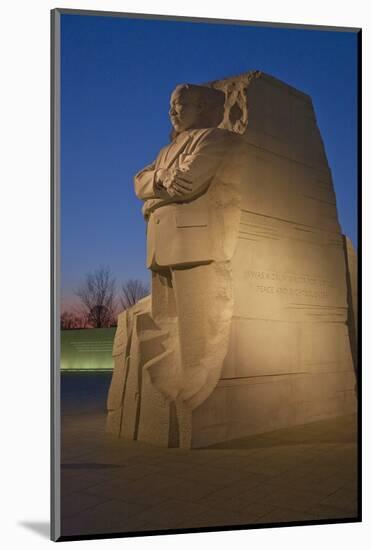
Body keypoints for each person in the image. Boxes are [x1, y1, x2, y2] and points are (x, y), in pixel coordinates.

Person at [134, 83, 239, 410]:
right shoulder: (167, 151)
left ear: (202, 108)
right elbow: (138, 182)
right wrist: (161, 179)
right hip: (160, 243)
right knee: (166, 320)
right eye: (171, 106)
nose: (172, 112)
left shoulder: (216, 138)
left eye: (181, 105)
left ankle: (197, 379)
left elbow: (189, 182)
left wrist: (154, 192)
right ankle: (169, 381)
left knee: (195, 325)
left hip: (191, 242)